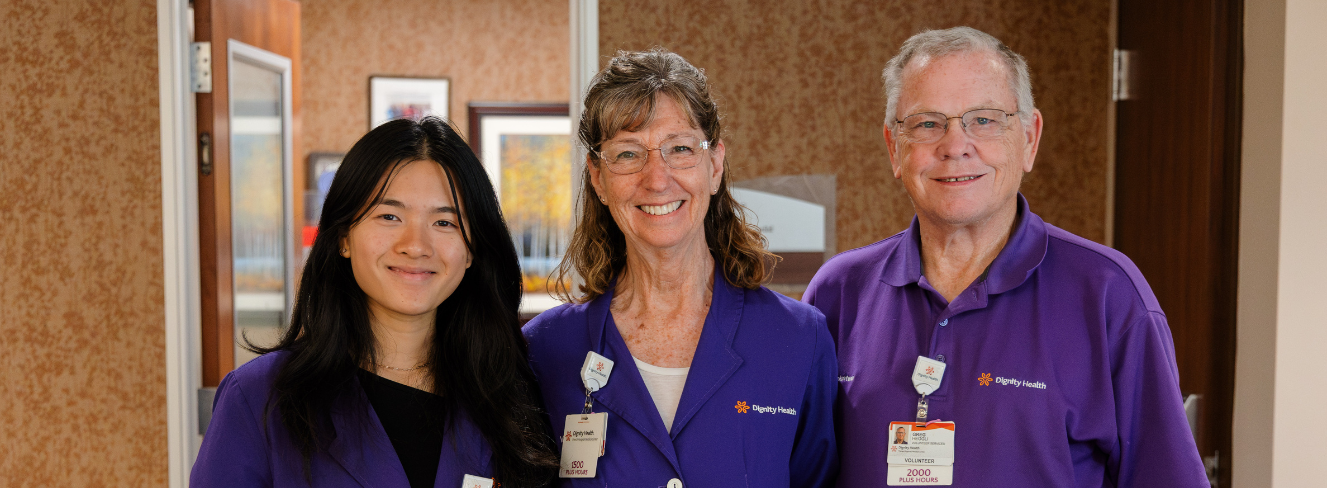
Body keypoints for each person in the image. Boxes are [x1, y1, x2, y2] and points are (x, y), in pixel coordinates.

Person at [804, 27, 1209, 487]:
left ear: (1030, 138)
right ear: (894, 148)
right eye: (927, 124)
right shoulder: (838, 293)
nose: (955, 146)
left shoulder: (1108, 295)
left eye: (984, 120)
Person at [523, 48, 838, 488]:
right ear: (597, 177)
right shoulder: (545, 350)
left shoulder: (799, 339)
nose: (657, 178)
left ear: (714, 165)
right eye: (629, 154)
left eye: (681, 148)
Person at [191, 118, 558, 487]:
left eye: (445, 223)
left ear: (472, 250)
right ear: (343, 238)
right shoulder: (258, 399)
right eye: (389, 216)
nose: (415, 245)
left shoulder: (512, 396)